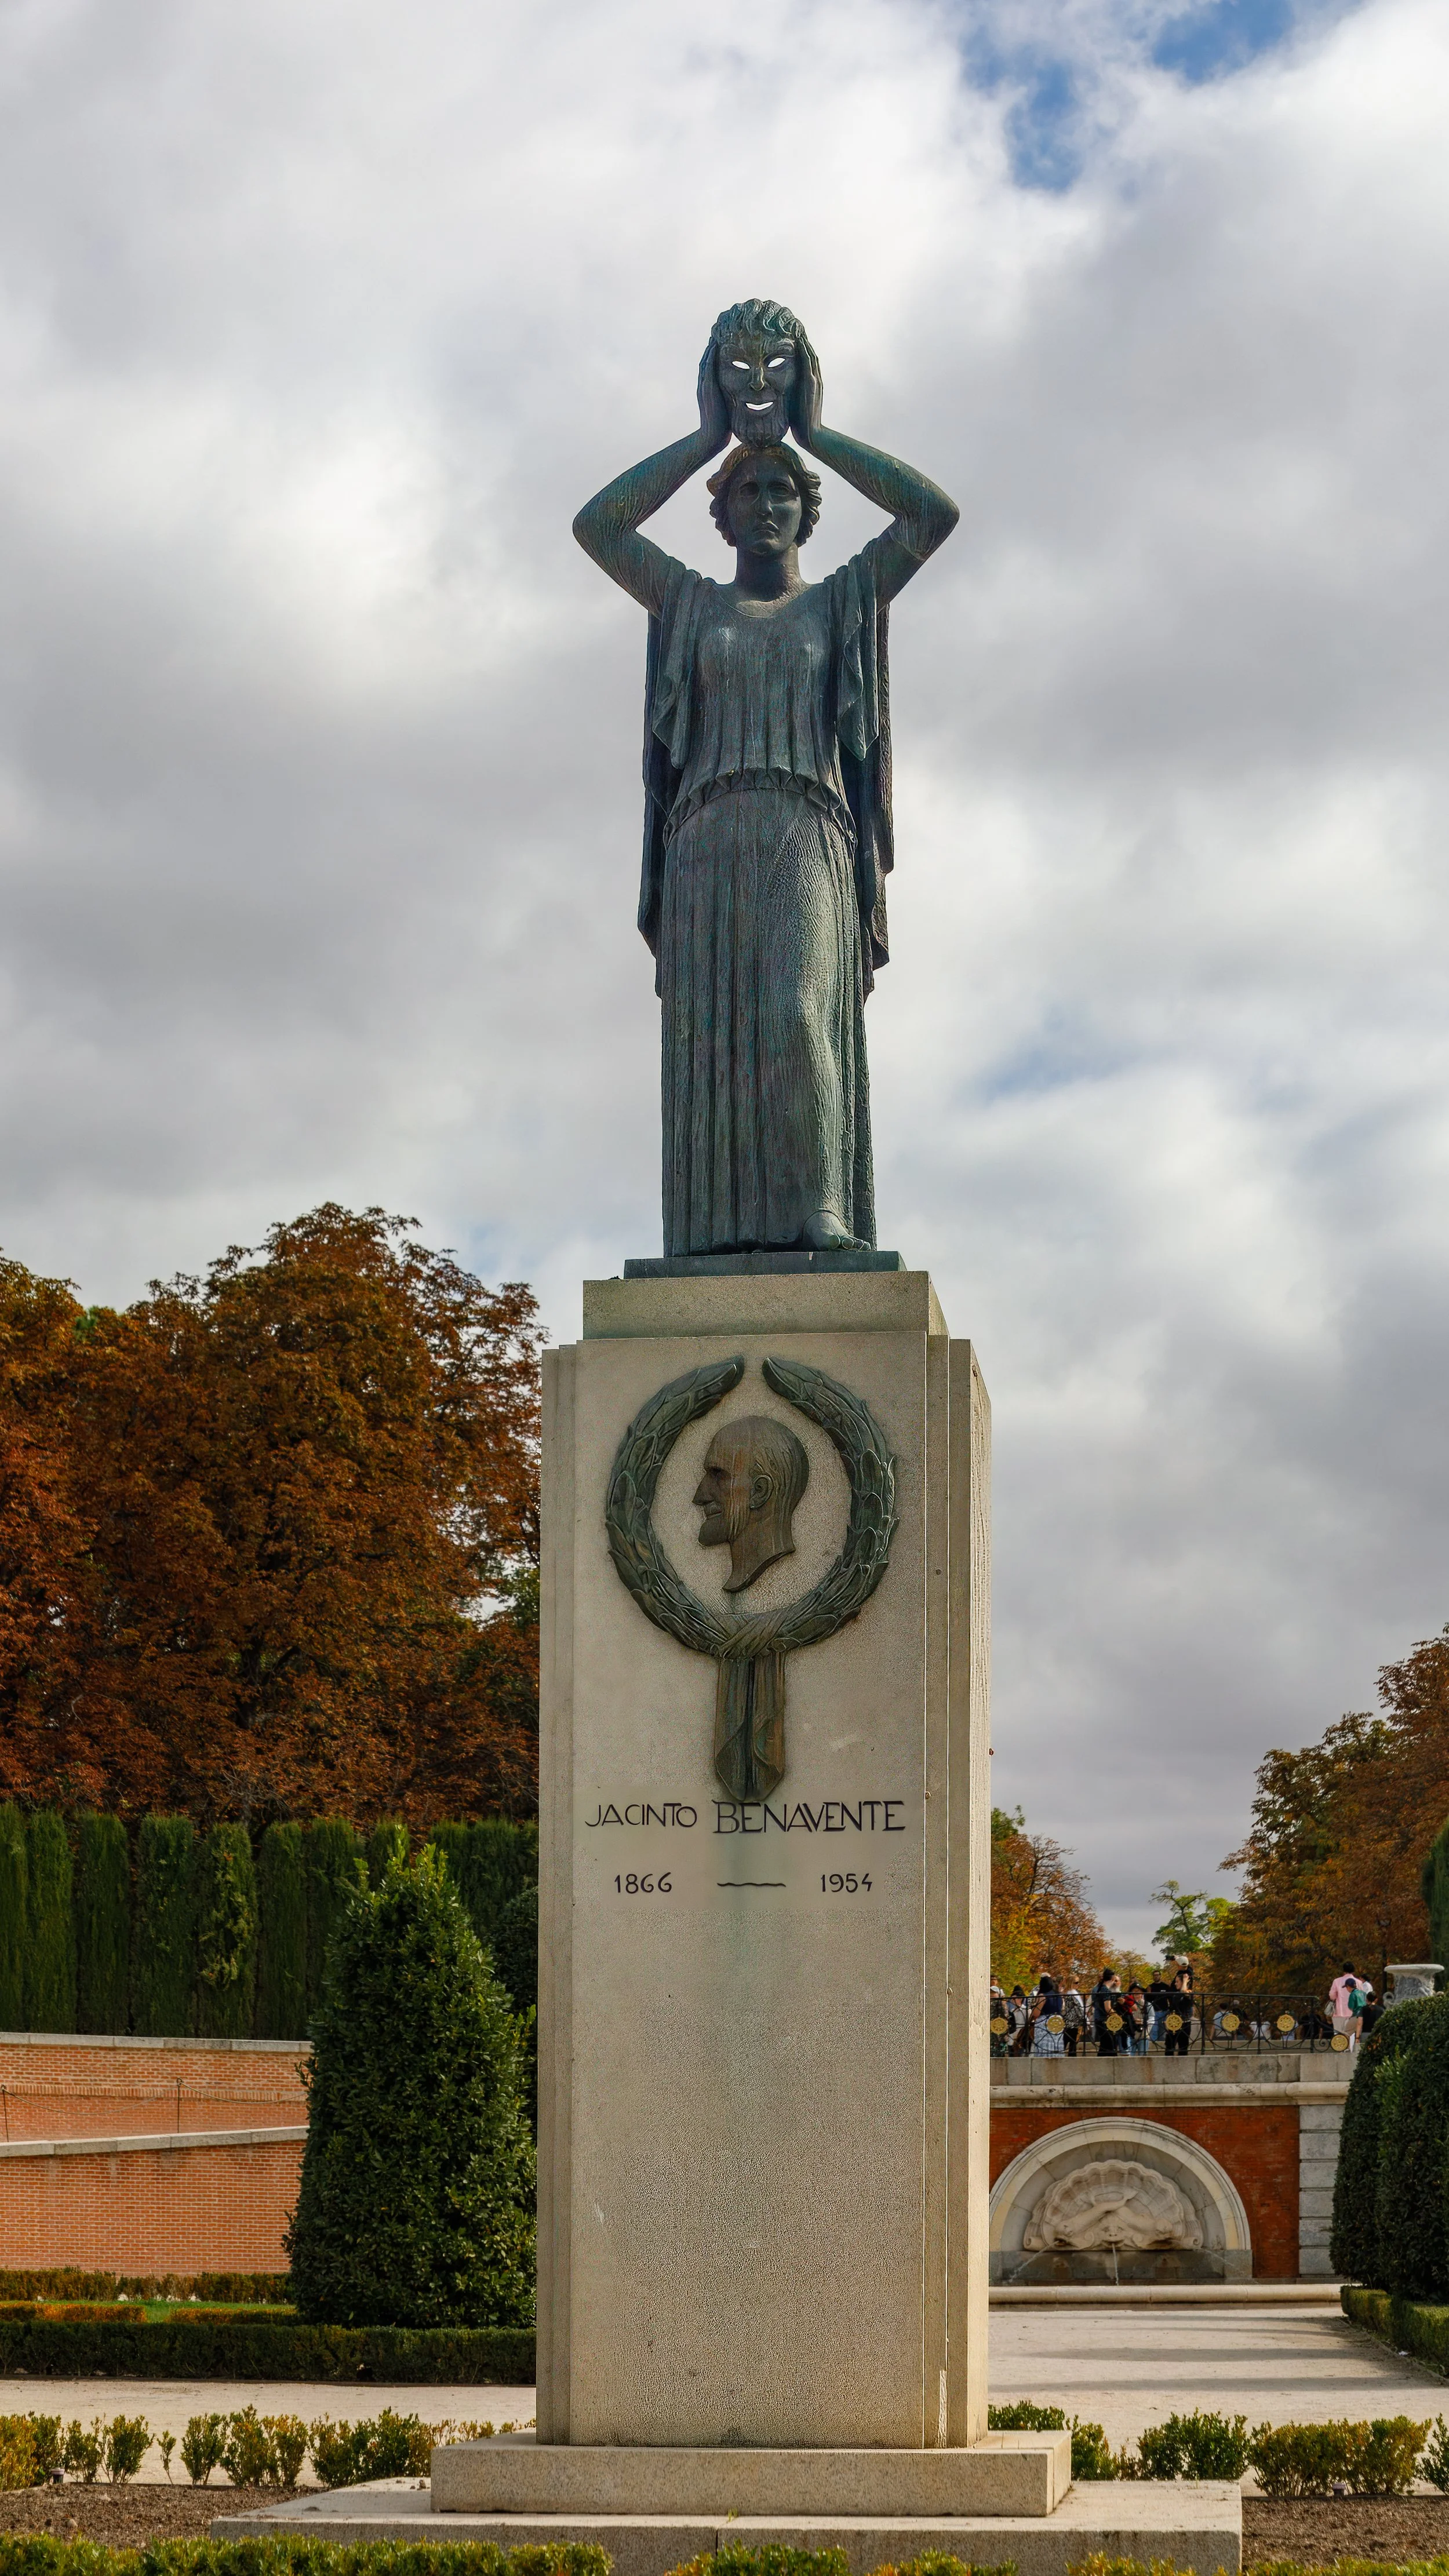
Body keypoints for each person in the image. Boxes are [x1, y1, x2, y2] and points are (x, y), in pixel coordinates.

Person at [573, 298, 959, 1256]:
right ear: (723, 512)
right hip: (706, 837)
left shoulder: (844, 599)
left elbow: (931, 513)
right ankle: (715, 1233)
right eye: (748, 496)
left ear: (808, 511)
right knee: (713, 1047)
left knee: (793, 1016)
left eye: (784, 496)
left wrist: (813, 433)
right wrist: (710, 433)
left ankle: (816, 1210)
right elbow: (600, 525)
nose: (767, 507)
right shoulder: (689, 602)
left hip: (805, 829)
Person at [1031, 1974, 1067, 2058]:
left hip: (1045, 2023)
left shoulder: (1042, 1996)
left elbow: (1036, 2013)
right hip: (1057, 2022)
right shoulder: (1059, 1996)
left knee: (1045, 2045)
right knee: (1056, 2043)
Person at [1092, 1966, 1124, 2056]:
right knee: (1109, 2046)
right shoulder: (1106, 1990)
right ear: (1113, 1979)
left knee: (1104, 2046)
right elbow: (1108, 2008)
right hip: (1105, 2021)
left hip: (1099, 2019)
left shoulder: (1099, 1989)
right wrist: (1116, 2016)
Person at [1163, 1965, 1194, 2057]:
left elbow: (1184, 1992)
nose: (1175, 1984)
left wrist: (1185, 1981)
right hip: (1174, 2023)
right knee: (1169, 2047)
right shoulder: (1176, 1993)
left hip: (1184, 2024)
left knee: (1183, 2048)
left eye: (1177, 1982)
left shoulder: (1189, 1992)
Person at [1146, 1969, 1172, 2050]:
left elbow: (1170, 1998)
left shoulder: (1166, 1986)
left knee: (1163, 2031)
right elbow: (1147, 2000)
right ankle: (1154, 2048)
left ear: (1160, 1976)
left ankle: (1162, 2048)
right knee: (1154, 2031)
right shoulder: (1150, 1987)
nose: (1156, 1976)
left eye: (1158, 1975)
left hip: (1164, 2012)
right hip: (1154, 2012)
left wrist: (1170, 2010)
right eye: (1155, 1975)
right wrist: (1148, 1993)